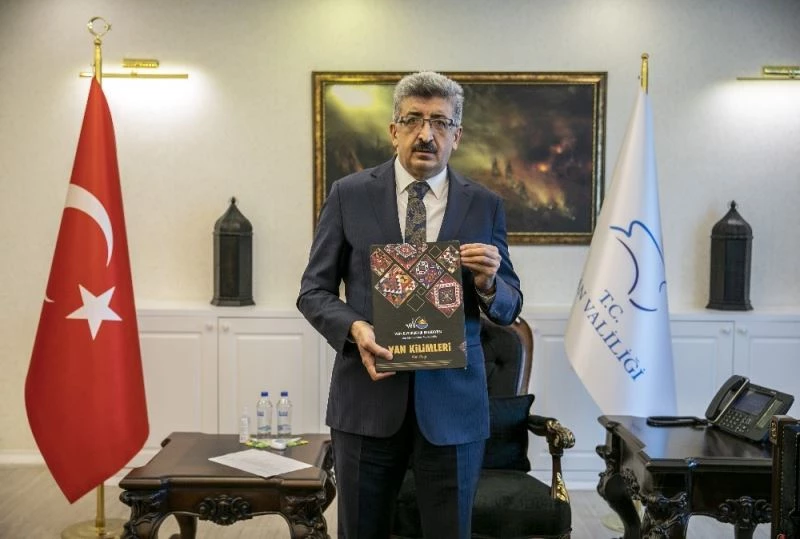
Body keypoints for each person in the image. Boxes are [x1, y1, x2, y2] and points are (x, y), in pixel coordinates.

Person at [297, 71, 522, 539]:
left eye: (440, 122)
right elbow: (313, 292)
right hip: (367, 400)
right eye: (414, 120)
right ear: (393, 130)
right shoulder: (349, 195)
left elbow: (508, 304)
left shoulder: (485, 204)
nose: (426, 134)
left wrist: (487, 282)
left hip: (453, 407)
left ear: (457, 135)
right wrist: (356, 328)